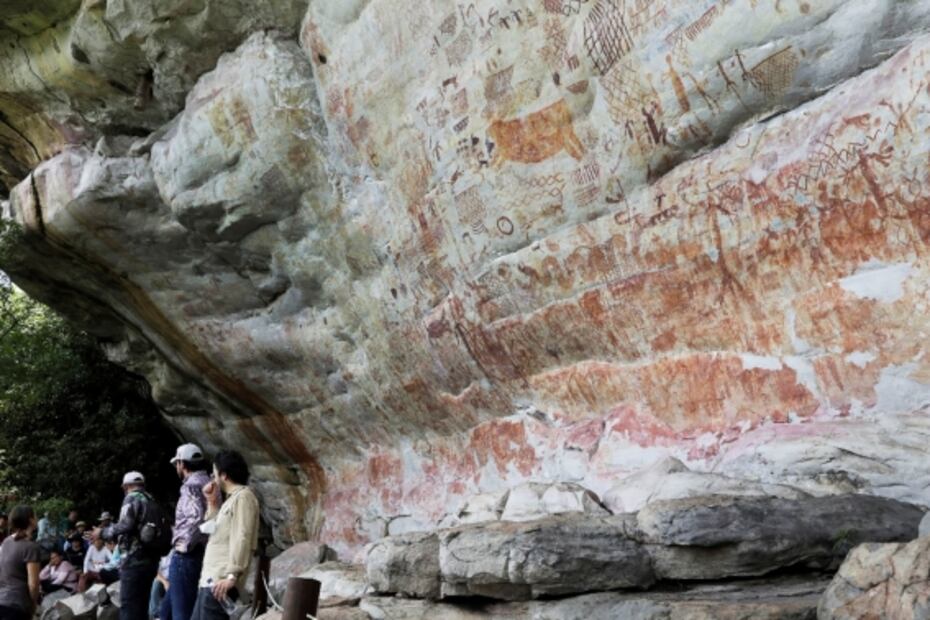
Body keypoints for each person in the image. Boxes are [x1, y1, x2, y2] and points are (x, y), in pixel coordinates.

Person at [190, 451, 260, 620]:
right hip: (210, 580)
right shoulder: (230, 500)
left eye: (214, 473)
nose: (212, 478)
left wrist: (232, 576)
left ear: (223, 475)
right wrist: (211, 502)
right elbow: (212, 529)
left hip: (220, 582)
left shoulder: (244, 497)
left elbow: (242, 537)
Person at [100, 471, 162, 620]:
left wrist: (102, 533)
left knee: (128, 607)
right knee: (141, 608)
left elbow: (126, 525)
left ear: (126, 486)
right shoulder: (151, 499)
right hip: (151, 562)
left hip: (133, 561)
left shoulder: (131, 498)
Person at [168, 443, 211, 620]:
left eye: (177, 464)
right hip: (204, 553)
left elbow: (196, 518)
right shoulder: (209, 482)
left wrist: (184, 546)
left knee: (181, 614)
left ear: (182, 464)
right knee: (169, 611)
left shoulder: (190, 486)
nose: (176, 468)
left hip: (187, 556)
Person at [0, 505, 41, 620]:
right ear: (31, 520)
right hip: (17, 606)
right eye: (35, 516)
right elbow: (33, 584)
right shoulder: (31, 547)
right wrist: (33, 607)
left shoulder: (6, 542)